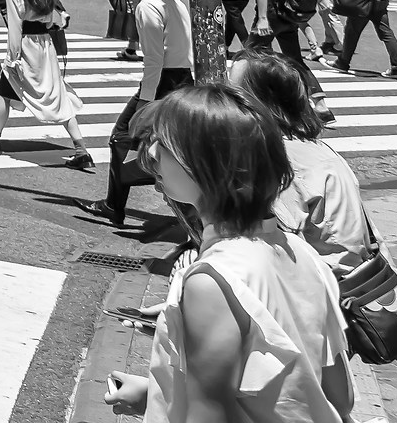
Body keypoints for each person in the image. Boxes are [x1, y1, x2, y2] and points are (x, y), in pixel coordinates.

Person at [100, 84, 355, 423]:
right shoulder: (304, 255)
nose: (152, 151)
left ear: (205, 164)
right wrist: (157, 395)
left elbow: (209, 415)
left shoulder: (211, 282)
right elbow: (338, 397)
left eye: (163, 142)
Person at [89, 0, 196, 232]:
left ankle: (116, 203)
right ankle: (119, 202)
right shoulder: (174, 0)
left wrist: (144, 101)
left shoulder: (148, 5)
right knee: (171, 147)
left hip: (162, 82)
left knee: (121, 138)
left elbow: (153, 59)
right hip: (182, 80)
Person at [233, 51, 369, 276]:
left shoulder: (280, 160)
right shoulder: (310, 147)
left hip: (323, 285)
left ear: (258, 103)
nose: (224, 103)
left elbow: (273, 245)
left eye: (234, 94)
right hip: (345, 272)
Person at [0, 0, 94, 167]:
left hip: (25, 47)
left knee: (4, 93)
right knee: (57, 95)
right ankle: (80, 148)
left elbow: (15, 29)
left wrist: (12, 58)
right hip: (45, 47)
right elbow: (48, 23)